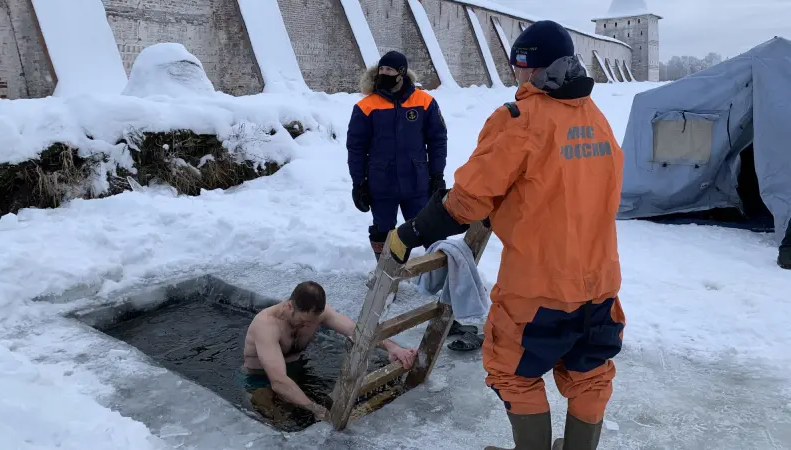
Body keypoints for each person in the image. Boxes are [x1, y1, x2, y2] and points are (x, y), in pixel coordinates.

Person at [384, 21, 626, 450]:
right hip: (601, 287)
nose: (515, 76)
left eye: (517, 67)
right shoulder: (595, 118)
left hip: (538, 289)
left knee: (512, 370)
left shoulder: (520, 119)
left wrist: (412, 231)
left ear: (532, 67)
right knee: (589, 374)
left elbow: (467, 202)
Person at [240, 281, 418, 422]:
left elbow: (356, 331)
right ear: (289, 307)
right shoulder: (266, 325)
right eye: (302, 321)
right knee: (279, 418)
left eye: (311, 321)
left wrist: (392, 347)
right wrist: (316, 409)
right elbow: (278, 382)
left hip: (297, 371)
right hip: (259, 379)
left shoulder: (318, 315)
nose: (307, 325)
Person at [347, 50, 448, 262]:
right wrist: (359, 183)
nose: (384, 73)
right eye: (381, 69)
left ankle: (438, 273)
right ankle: (387, 274)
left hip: (417, 182)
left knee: (427, 228)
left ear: (401, 73)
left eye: (389, 70)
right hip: (381, 183)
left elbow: (437, 139)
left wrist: (437, 175)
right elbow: (356, 148)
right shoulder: (366, 106)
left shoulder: (425, 102)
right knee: (383, 232)